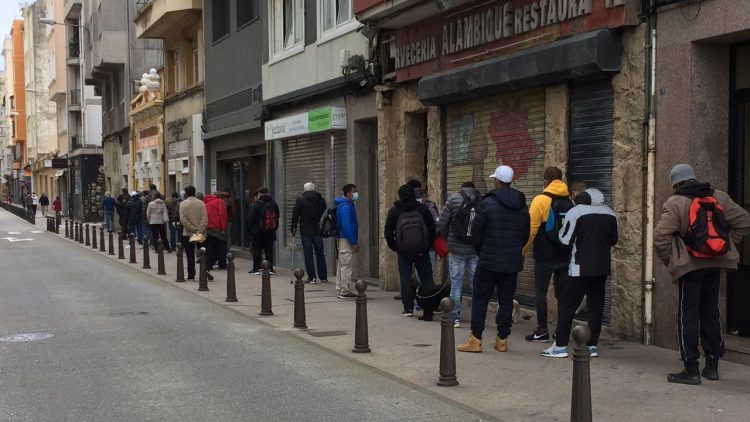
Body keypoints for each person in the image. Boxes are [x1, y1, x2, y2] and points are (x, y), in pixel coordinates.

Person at [654, 164, 750, 385]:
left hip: (691, 267)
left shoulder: (675, 202)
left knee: (687, 314)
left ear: (675, 182)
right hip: (715, 265)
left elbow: (661, 236)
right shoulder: (719, 197)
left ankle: (691, 369)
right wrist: (726, 245)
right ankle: (712, 366)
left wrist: (672, 258)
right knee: (711, 312)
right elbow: (744, 221)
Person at [457, 165, 529, 353]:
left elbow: (476, 234)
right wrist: (513, 251)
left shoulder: (487, 204)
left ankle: (476, 339)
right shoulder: (522, 205)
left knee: (480, 299)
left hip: (488, 261)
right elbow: (525, 234)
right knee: (506, 301)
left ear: (497, 181)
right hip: (511, 262)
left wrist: (482, 252)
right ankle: (502, 340)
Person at [541, 188, 618, 359]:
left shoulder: (576, 212)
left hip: (579, 268)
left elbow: (565, 239)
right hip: (601, 268)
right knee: (596, 307)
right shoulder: (610, 213)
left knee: (567, 306)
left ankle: (560, 345)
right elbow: (614, 239)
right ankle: (592, 345)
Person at [523, 167, 573, 343]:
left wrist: (522, 251)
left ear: (546, 180)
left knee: (540, 293)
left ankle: (542, 331)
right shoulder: (570, 201)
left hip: (544, 256)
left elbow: (531, 229)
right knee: (563, 295)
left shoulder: (541, 199)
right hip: (564, 256)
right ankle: (561, 331)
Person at [385, 184, 437, 317]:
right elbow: (432, 229)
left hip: (403, 251)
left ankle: (408, 308)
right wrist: (426, 246)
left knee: (405, 278)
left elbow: (388, 233)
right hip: (422, 250)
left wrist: (396, 247)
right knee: (426, 278)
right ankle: (429, 306)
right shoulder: (422, 209)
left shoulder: (394, 211)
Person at [437, 181, 481, 328]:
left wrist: (447, 239)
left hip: (456, 249)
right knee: (476, 283)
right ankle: (478, 316)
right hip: (474, 249)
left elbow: (442, 223)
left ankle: (455, 317)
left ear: (461, 187)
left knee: (456, 284)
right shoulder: (480, 199)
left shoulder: (453, 198)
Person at [291, 182, 328, 284]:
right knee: (320, 253)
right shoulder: (321, 200)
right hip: (318, 230)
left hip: (305, 231)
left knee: (308, 254)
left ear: (304, 189)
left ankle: (312, 277)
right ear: (314, 189)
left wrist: (293, 227)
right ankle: (323, 277)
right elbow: (325, 215)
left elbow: (295, 214)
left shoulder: (301, 199)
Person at [247, 187, 279, 275]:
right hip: (270, 231)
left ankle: (256, 268)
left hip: (257, 232)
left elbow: (250, 219)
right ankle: (270, 268)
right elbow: (277, 216)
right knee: (269, 251)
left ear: (259, 194)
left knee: (257, 250)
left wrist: (250, 230)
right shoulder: (273, 203)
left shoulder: (256, 204)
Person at [335, 184, 359, 299]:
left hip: (344, 238)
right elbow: (346, 225)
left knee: (342, 264)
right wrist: (354, 242)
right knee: (346, 265)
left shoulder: (347, 205)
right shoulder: (346, 207)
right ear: (348, 193)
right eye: (354, 191)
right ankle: (344, 290)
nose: (356, 194)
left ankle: (341, 288)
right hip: (346, 239)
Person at [180, 185, 208, 280]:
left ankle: (191, 274)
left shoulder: (183, 204)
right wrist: (199, 230)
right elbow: (204, 218)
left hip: (188, 233)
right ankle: (205, 270)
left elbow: (183, 220)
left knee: (190, 255)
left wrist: (192, 229)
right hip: (200, 232)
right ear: (195, 192)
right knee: (203, 253)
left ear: (186, 193)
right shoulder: (201, 203)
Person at [204, 192, 228, 272]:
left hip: (208, 228)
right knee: (221, 247)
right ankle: (222, 264)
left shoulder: (206, 202)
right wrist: (223, 228)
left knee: (209, 247)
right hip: (217, 227)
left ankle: (209, 264)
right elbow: (222, 215)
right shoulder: (219, 202)